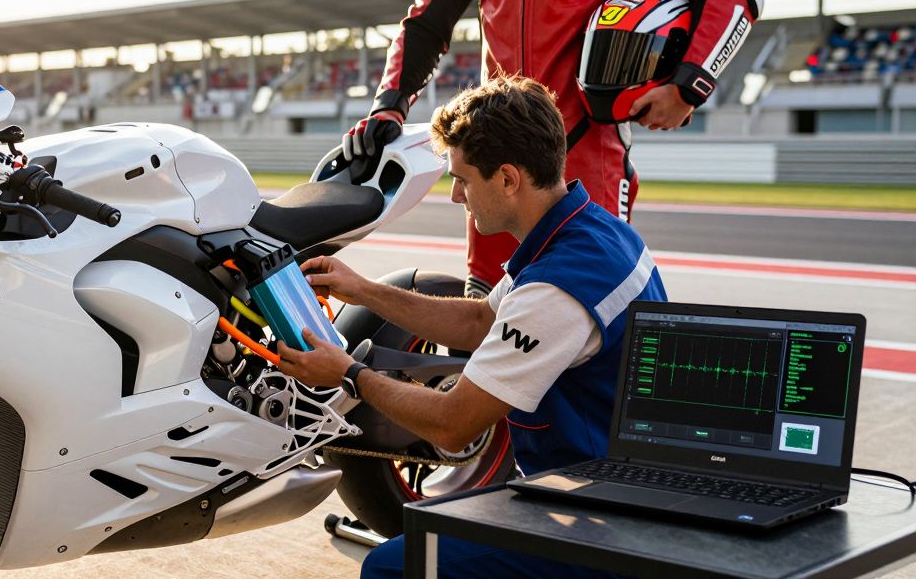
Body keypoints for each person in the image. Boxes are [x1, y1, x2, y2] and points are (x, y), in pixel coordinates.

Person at [282, 76, 667, 579]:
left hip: (598, 514)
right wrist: (364, 290)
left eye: (462, 179)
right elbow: (482, 318)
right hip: (612, 486)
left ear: (507, 179)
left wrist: (348, 374)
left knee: (390, 568)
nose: (456, 196)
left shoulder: (556, 287)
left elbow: (453, 423)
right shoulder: (591, 230)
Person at [341, 0, 763, 297]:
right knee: (485, 309)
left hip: (587, 155)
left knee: (592, 307)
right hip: (490, 160)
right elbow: (424, 28)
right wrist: (387, 107)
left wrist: (687, 85)